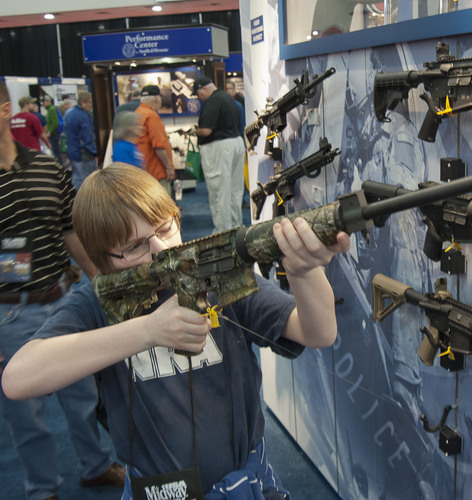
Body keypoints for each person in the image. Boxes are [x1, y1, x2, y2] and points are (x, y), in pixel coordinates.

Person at [1, 163, 351, 499]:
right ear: (104, 260)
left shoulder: (215, 273)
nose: (161, 250)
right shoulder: (95, 305)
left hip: (248, 481)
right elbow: (18, 379)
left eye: (165, 228)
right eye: (135, 246)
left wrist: (304, 272)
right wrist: (147, 331)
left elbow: (318, 333)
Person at [0, 79, 125, 500]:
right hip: (9, 313)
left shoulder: (47, 167)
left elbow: (70, 231)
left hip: (62, 299)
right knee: (26, 413)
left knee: (83, 394)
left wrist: (100, 283)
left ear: (5, 110)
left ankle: (94, 466)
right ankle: (41, 489)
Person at [192, 76, 245, 232]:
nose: (198, 98)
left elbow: (206, 131)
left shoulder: (213, 101)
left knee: (219, 191)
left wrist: (195, 131)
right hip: (236, 143)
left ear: (203, 88)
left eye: (198, 94)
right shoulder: (228, 99)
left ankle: (222, 233)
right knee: (235, 191)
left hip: (219, 148)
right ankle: (236, 229)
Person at [135, 85, 176, 196]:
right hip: (156, 173)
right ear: (157, 99)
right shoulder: (151, 116)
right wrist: (169, 168)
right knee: (162, 209)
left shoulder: (137, 113)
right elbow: (159, 145)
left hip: (143, 173)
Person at [64, 91, 98, 189]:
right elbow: (87, 137)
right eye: (90, 102)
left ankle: (77, 199)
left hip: (72, 152)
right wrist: (95, 153)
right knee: (91, 181)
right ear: (82, 102)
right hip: (84, 154)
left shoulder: (69, 112)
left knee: (77, 178)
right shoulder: (83, 116)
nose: (91, 105)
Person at [44, 95, 65, 163]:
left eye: (44, 102)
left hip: (54, 134)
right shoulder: (50, 109)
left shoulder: (51, 109)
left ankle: (60, 166)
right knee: (56, 151)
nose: (43, 104)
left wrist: (49, 131)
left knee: (56, 152)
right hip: (53, 133)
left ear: (48, 101)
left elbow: (55, 123)